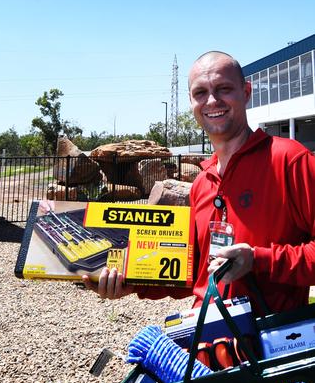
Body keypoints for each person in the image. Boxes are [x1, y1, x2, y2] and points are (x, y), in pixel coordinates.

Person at [83, 50, 315, 314]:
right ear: (192, 102)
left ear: (246, 92)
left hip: (266, 347)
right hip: (205, 344)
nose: (212, 101)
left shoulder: (289, 160)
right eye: (200, 93)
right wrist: (133, 284)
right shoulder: (204, 182)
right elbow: (194, 271)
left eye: (224, 88)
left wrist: (258, 260)